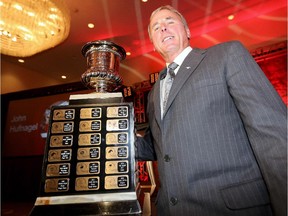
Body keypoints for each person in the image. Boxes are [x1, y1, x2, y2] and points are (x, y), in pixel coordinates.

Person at [136, 5, 287, 216]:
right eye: (156, 27)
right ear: (152, 43)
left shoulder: (226, 55)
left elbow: (273, 134)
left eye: (170, 21)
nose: (163, 28)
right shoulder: (154, 93)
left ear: (187, 31)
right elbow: (157, 146)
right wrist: (117, 134)